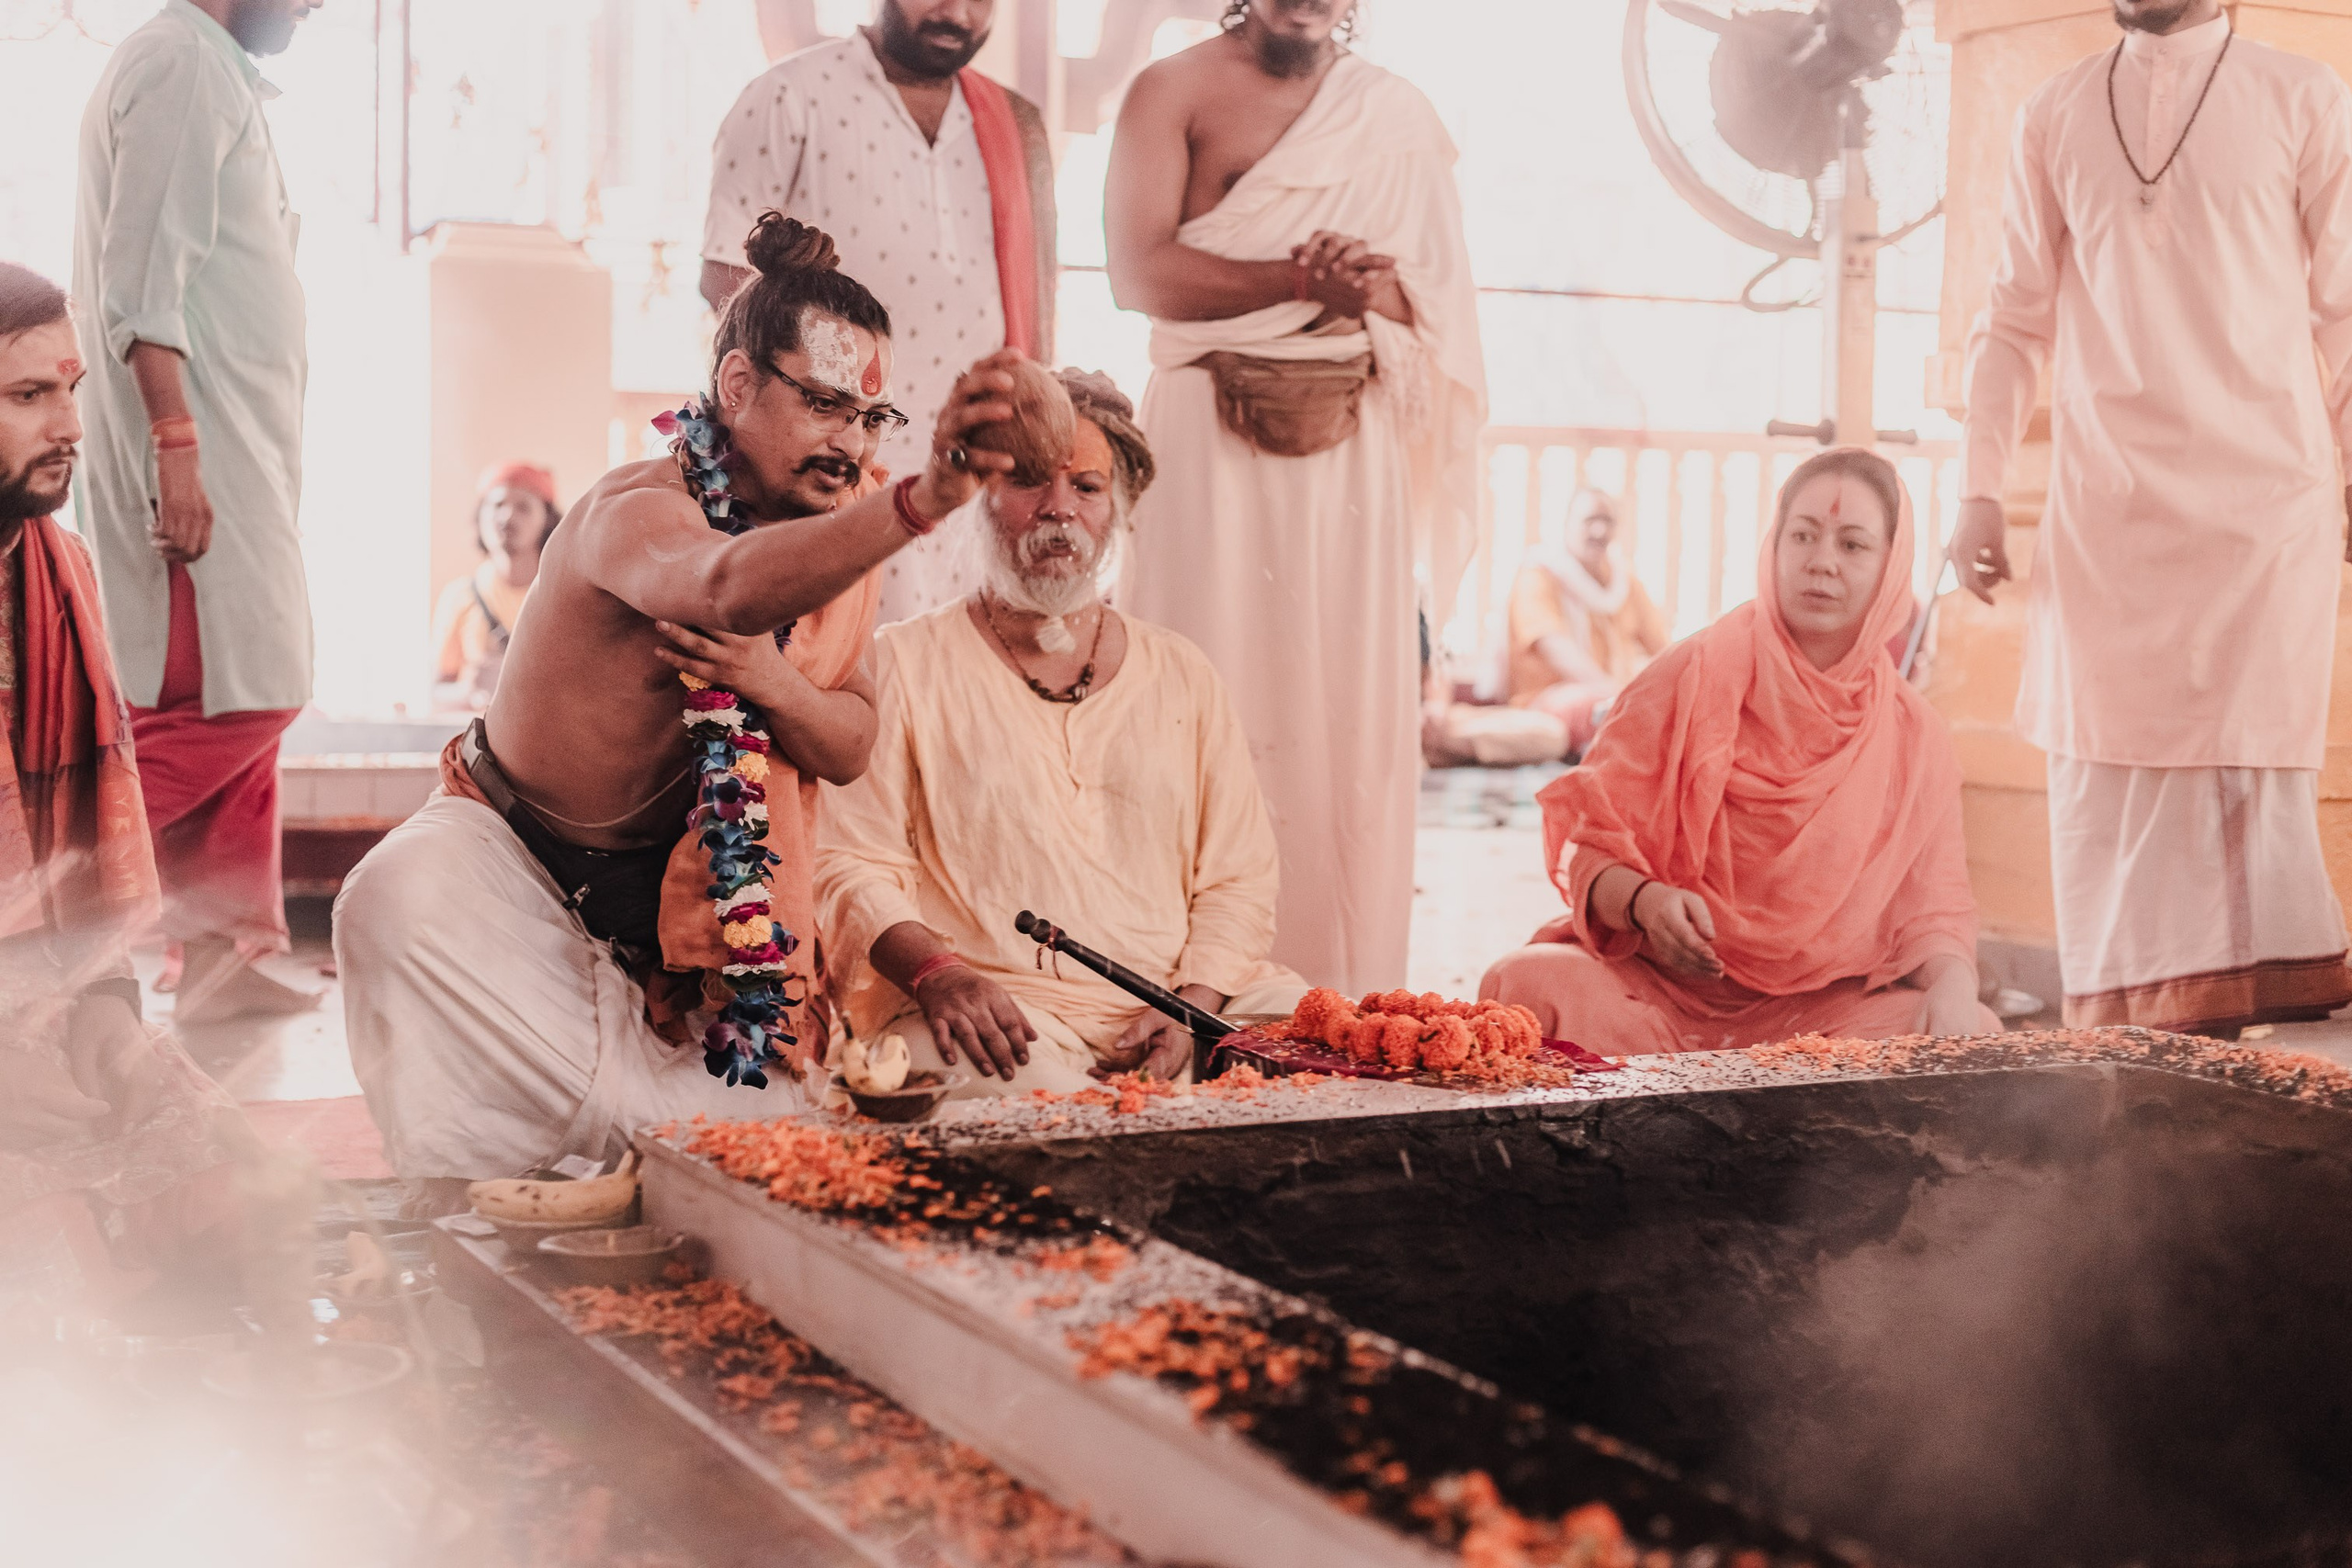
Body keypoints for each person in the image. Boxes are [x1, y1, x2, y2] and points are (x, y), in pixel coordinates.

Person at [336, 217, 1026, 1187]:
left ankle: (611, 1159)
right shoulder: (638, 506)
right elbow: (721, 588)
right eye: (826, 405)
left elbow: (849, 742)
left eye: (872, 420)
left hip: (688, 922)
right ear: (737, 386)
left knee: (762, 1151)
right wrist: (916, 503)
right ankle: (495, 1211)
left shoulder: (837, 535)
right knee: (398, 902)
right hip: (508, 869)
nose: (851, 444)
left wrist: (773, 682)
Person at [1949, 0, 2352, 1035]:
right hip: (2107, 521)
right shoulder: (2052, 111)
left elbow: (2346, 308)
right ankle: (2125, 1086)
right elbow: (2011, 318)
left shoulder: (2302, 96)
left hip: (2264, 520)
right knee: (2106, 790)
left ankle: (2257, 1106)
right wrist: (1978, 486)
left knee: (2250, 800)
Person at [1105, 0, 1486, 996]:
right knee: (1200, 692)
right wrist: (1298, 276)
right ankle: (1175, 996)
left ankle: (1335, 990)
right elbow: (1138, 272)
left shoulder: (1395, 115)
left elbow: (1438, 304)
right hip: (1202, 432)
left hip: (1348, 438)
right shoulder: (1170, 90)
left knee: (1340, 715)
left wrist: (1370, 289)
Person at [815, 370, 1306, 1096]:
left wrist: (1191, 1008)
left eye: (1088, 487)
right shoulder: (902, 663)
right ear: (979, 497)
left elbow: (1237, 877)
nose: (1059, 510)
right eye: (1030, 481)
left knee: (1329, 1045)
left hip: (1182, 1010)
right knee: (981, 1088)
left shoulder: (1182, 671)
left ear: (1121, 508)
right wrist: (938, 974)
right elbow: (850, 864)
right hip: (1001, 1020)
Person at [1482, 450, 1998, 1055]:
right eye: (1803, 535)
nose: (1822, 562)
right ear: (1774, 546)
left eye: (1853, 545)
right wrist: (1647, 905)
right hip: (1658, 998)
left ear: (1892, 566)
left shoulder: (1915, 734)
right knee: (1524, 984)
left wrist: (1956, 989)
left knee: (1962, 1032)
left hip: (1820, 1018)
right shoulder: (1689, 675)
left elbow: (1934, 911)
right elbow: (1590, 849)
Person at [0, 264, 246, 1310]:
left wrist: (103, 1006)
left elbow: (87, 872)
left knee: (232, 1215)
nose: (70, 424)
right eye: (26, 397)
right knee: (64, 1298)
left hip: (33, 1004)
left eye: (70, 390)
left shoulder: (62, 573)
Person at [73, 0, 322, 1024]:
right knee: (230, 699)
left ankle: (222, 952)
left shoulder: (208, 67)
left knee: (244, 696)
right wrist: (176, 448)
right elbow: (143, 285)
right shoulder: (181, 64)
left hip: (235, 448)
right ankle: (44, 902)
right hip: (195, 449)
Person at [702, 0, 1056, 627]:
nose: (956, 11)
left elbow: (1037, 310)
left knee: (952, 695)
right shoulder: (788, 98)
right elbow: (728, 291)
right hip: (832, 476)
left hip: (971, 479)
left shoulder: (1015, 123)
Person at [1505, 489, 1668, 756]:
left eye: (1608, 521)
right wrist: (1617, 693)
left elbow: (1663, 649)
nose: (1599, 530)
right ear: (1567, 524)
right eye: (1590, 520)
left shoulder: (1624, 582)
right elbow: (1554, 647)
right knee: (1595, 708)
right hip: (1550, 698)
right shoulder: (1539, 576)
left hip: (1617, 694)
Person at [433, 462, 560, 710]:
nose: (507, 517)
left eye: (523, 507)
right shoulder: (460, 596)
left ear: (547, 519)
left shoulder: (563, 598)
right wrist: (468, 693)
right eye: (497, 505)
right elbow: (434, 690)